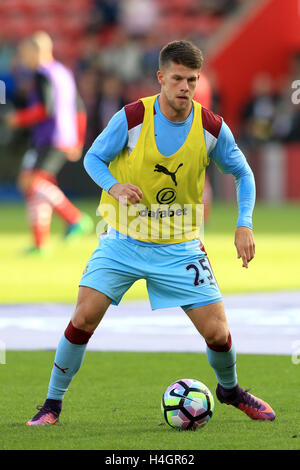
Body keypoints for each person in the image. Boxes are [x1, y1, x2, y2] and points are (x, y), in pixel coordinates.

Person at [26, 40, 275, 426]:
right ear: (161, 78)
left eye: (192, 80)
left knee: (217, 332)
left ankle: (230, 390)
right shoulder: (132, 117)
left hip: (179, 245)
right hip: (123, 240)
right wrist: (115, 186)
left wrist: (244, 223)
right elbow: (93, 157)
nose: (185, 87)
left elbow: (243, 173)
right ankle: (51, 404)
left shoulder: (210, 126)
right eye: (177, 78)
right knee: (84, 318)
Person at [5, 31, 93, 254]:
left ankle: (74, 218)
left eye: (25, 52)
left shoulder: (43, 74)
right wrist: (79, 139)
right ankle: (40, 243)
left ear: (37, 51)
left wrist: (19, 118)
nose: (23, 58)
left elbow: (46, 108)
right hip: (63, 137)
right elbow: (79, 107)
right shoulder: (63, 73)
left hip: (49, 137)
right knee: (38, 186)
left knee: (30, 183)